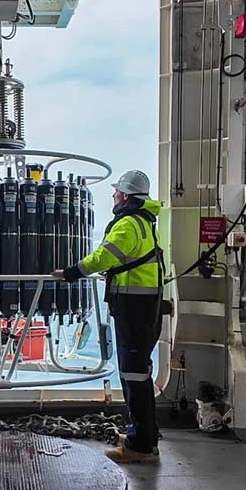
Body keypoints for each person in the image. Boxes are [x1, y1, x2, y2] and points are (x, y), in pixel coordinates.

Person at [54, 169, 162, 464]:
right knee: (138, 374)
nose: (113, 195)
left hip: (133, 308)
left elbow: (103, 257)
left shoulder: (128, 225)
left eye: (117, 192)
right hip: (144, 307)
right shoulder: (146, 223)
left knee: (133, 375)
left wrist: (71, 273)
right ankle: (144, 436)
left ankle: (141, 447)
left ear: (126, 196)